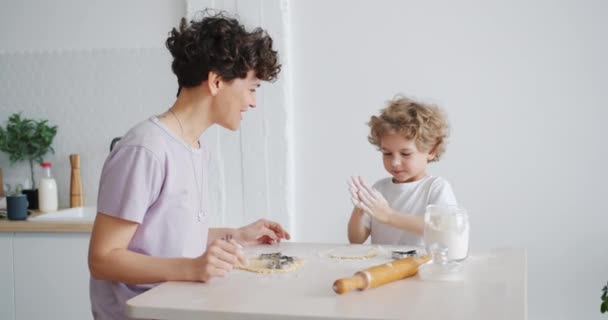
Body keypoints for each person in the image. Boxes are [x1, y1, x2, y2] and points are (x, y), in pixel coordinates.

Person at [88, 11, 289, 320]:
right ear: (217, 81)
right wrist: (193, 268)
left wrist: (235, 235)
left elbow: (164, 238)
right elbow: (102, 259)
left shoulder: (196, 149)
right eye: (251, 88)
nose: (253, 103)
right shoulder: (145, 150)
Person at [347, 95, 457, 245]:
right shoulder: (380, 189)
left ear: (431, 150)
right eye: (387, 153)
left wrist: (389, 216)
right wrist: (359, 210)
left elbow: (443, 231)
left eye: (405, 154)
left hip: (421, 266)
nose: (395, 162)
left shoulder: (436, 188)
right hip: (384, 267)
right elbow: (356, 239)